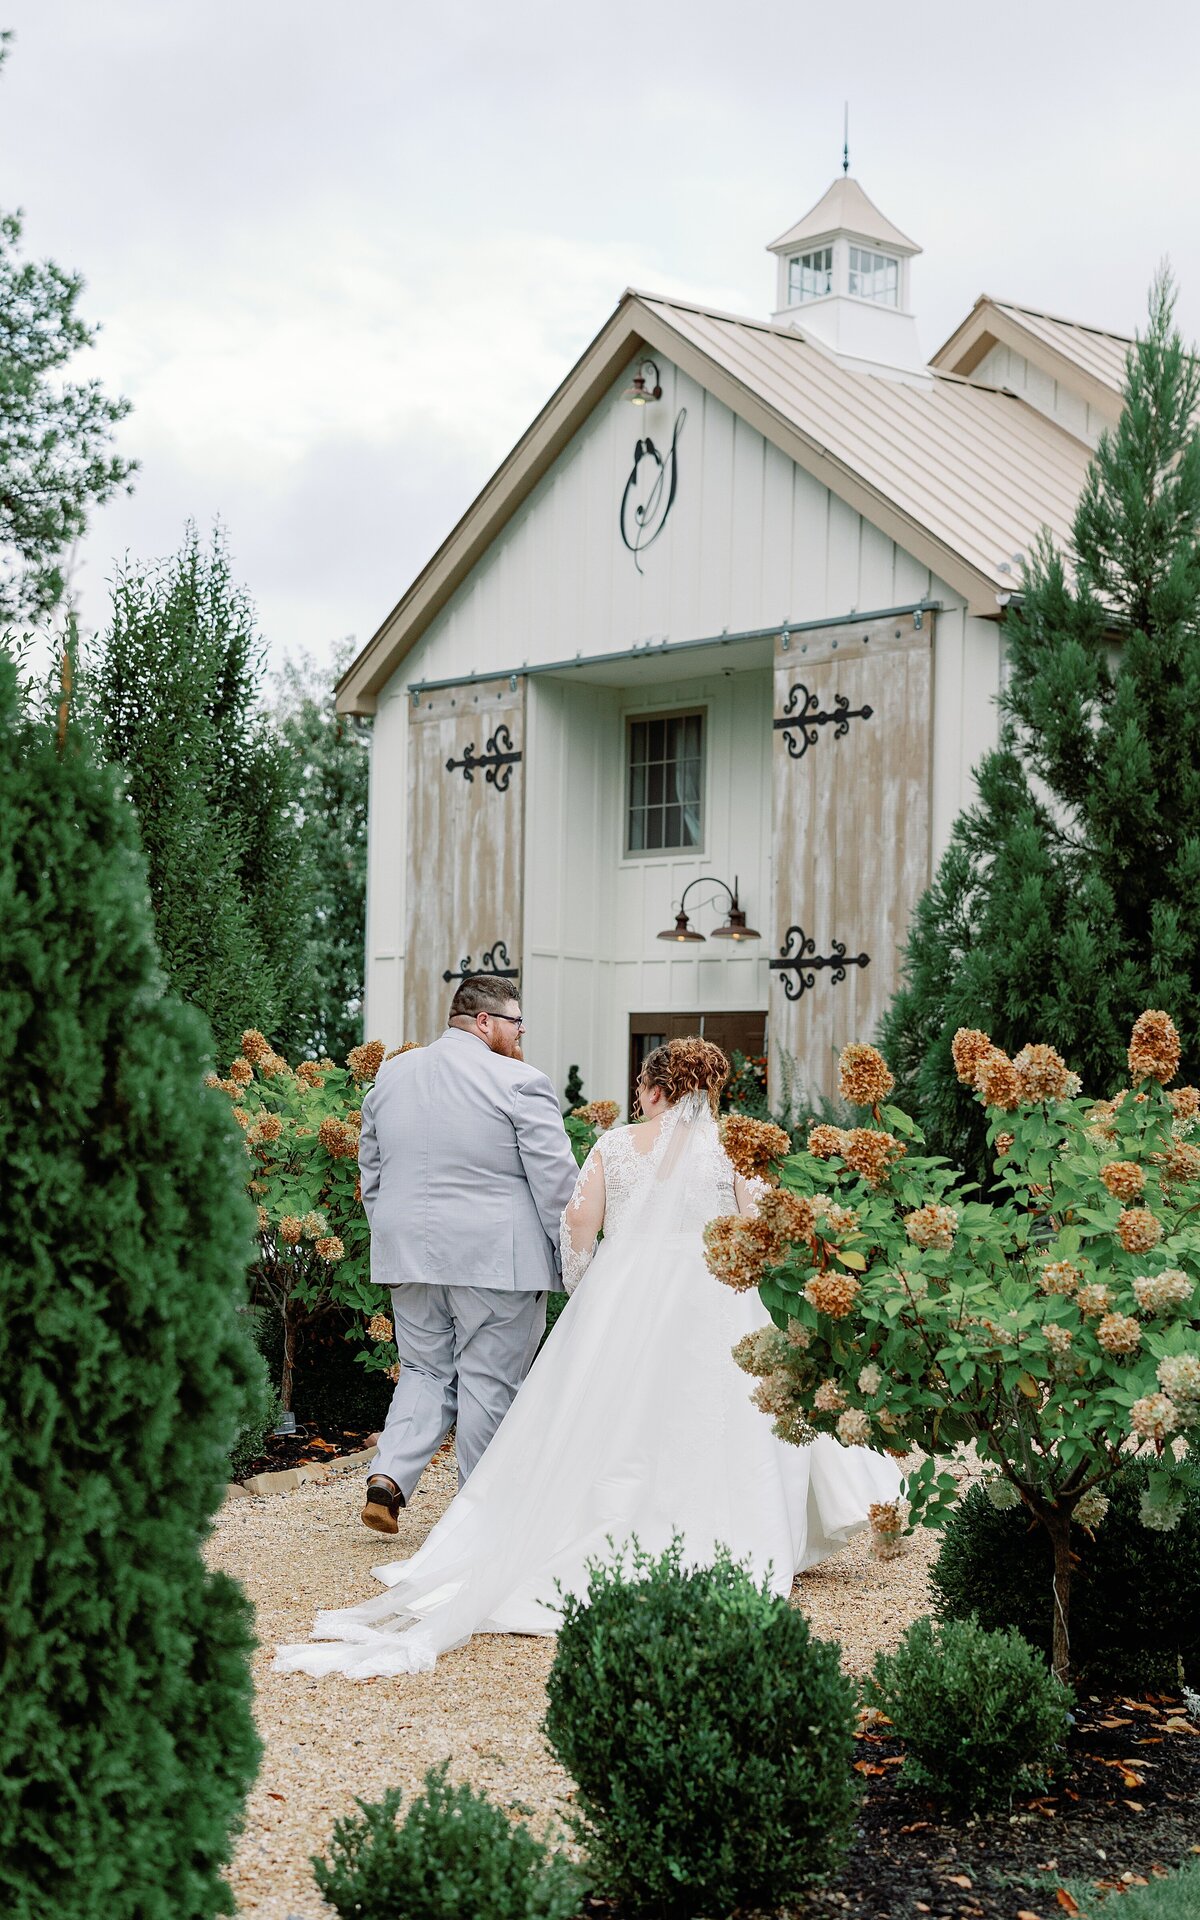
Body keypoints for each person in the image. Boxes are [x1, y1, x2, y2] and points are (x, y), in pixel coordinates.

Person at [274, 1038, 902, 1677]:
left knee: (606, 1419)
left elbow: (579, 1225)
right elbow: (760, 1222)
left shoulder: (615, 1145)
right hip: (716, 1289)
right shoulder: (731, 1151)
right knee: (728, 1415)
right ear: (707, 1092)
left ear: (654, 1089)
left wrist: (590, 1290)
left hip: (622, 1292)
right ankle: (732, 1534)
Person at [355, 973, 579, 1536]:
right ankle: (479, 1520)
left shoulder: (392, 1076)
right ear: (484, 1021)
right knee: (488, 1381)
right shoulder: (521, 1083)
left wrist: (392, 1230)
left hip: (408, 1254)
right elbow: (555, 1183)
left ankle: (388, 1477)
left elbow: (372, 1170)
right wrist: (576, 1257)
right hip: (495, 1260)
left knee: (424, 1368)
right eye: (516, 1022)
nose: (522, 1032)